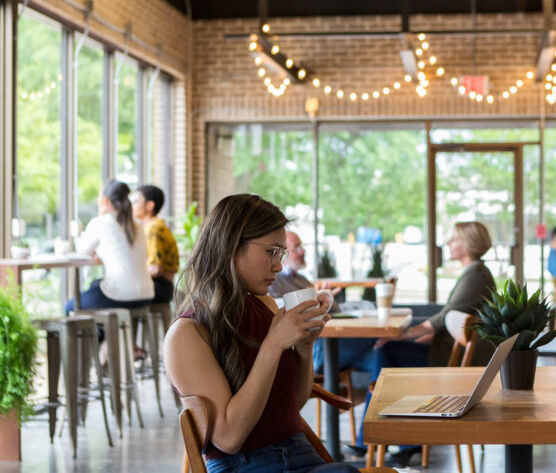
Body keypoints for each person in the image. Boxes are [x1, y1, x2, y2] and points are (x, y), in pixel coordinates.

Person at [164, 194, 358, 473]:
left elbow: (291, 404)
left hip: (303, 454)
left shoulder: (264, 306)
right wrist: (273, 345)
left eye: (281, 254)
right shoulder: (187, 333)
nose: (278, 266)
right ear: (232, 245)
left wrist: (305, 348)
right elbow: (229, 438)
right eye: (271, 252)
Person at [349, 221, 496, 464]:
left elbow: (442, 319)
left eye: (454, 239)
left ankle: (376, 439)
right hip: (450, 352)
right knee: (389, 352)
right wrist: (418, 336)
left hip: (454, 360)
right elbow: (448, 320)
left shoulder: (476, 274)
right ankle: (392, 441)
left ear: (469, 243)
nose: (449, 243)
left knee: (387, 350)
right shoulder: (475, 272)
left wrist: (403, 334)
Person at [268, 231, 375, 375]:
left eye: (302, 246)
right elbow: (276, 311)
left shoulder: (301, 279)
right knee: (375, 339)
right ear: (282, 254)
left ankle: (371, 397)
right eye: (296, 247)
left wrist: (327, 299)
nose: (303, 251)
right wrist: (315, 301)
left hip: (324, 345)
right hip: (315, 350)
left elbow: (333, 312)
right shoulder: (273, 281)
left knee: (380, 355)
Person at [65, 179, 154, 313]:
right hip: (146, 293)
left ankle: (100, 334)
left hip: (120, 295)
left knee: (70, 307)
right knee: (95, 285)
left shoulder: (101, 222)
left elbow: (81, 251)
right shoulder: (138, 224)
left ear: (105, 201)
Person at [132, 184, 179, 305]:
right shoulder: (158, 225)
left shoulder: (153, 228)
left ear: (150, 205)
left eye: (136, 201)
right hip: (165, 287)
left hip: (159, 287)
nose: (133, 206)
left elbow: (156, 269)